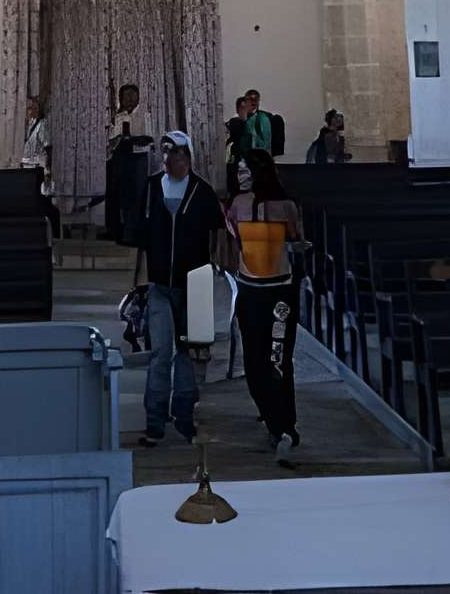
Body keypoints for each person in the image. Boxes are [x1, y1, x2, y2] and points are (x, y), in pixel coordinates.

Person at [132, 128, 226, 447]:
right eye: (165, 152)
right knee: (160, 352)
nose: (169, 158)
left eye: (175, 152)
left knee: (187, 351)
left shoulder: (201, 192)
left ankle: (185, 418)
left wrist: (212, 270)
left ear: (187, 157)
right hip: (159, 282)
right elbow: (141, 239)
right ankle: (155, 422)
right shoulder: (151, 189)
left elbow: (217, 233)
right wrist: (139, 282)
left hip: (192, 284)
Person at [224, 147, 303, 464]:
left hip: (279, 294)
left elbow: (296, 240)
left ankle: (285, 424)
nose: (239, 176)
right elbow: (235, 245)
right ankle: (271, 415)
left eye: (245, 171)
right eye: (238, 170)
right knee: (256, 361)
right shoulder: (237, 205)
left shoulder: (285, 207)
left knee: (277, 358)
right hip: (250, 291)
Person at [104, 79, 153, 244]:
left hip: (138, 159)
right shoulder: (117, 118)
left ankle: (134, 234)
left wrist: (132, 140)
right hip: (120, 160)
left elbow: (150, 139)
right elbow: (110, 141)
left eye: (133, 96)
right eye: (127, 96)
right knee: (121, 196)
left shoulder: (145, 116)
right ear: (121, 99)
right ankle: (120, 232)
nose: (130, 99)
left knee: (137, 196)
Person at [20, 93, 57, 235]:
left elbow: (48, 146)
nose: (32, 111)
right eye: (29, 108)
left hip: (37, 168)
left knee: (42, 202)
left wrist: (48, 168)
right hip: (26, 167)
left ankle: (53, 231)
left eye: (34, 108)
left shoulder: (42, 124)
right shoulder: (26, 126)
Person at [230, 87, 285, 158]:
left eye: (255, 102)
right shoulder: (237, 120)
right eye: (250, 101)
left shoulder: (265, 118)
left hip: (262, 156)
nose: (253, 104)